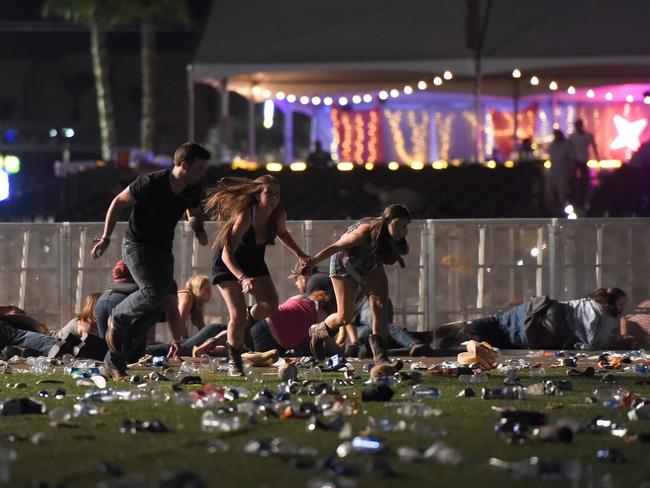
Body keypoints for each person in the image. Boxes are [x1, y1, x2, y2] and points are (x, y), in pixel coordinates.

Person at [90, 142, 211, 380]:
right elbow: (118, 202)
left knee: (154, 310)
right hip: (137, 245)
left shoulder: (193, 189)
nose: (203, 173)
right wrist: (105, 238)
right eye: (200, 168)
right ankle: (118, 316)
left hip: (163, 251)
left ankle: (114, 362)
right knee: (153, 292)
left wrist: (198, 229)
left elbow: (194, 213)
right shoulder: (150, 183)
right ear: (184, 165)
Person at [204, 175, 310, 376]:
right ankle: (235, 360)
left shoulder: (277, 214)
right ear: (257, 195)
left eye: (277, 194)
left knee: (271, 305)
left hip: (253, 262)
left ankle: (247, 323)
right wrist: (243, 278)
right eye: (269, 193)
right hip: (229, 264)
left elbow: (282, 233)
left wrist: (300, 254)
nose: (274, 198)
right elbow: (227, 255)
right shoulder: (246, 215)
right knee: (237, 314)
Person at [302, 204, 411, 373]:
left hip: (369, 265)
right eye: (397, 225)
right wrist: (312, 262)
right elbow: (335, 247)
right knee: (344, 317)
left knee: (379, 305)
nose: (401, 231)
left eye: (405, 227)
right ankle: (318, 330)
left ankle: (381, 358)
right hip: (344, 265)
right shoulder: (363, 233)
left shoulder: (391, 237)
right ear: (386, 221)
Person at [437, 287, 626, 350]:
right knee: (506, 340)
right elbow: (594, 341)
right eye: (621, 304)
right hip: (547, 330)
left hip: (538, 307)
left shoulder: (587, 301)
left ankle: (467, 327)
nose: (622, 308)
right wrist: (616, 340)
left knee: (500, 322)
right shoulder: (605, 315)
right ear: (611, 302)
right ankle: (471, 338)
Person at [345, 292, 435, 358]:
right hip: (363, 318)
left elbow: (346, 319)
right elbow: (348, 321)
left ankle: (413, 343)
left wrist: (354, 342)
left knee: (383, 325)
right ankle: (424, 337)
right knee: (368, 336)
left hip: (369, 301)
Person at [569, 119, 599, 211]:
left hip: (583, 159)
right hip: (575, 160)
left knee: (584, 179)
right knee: (573, 179)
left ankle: (582, 198)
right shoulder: (573, 136)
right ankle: (573, 197)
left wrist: (597, 157)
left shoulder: (587, 136)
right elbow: (569, 147)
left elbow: (594, 146)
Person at [546, 129, 573, 214]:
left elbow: (571, 160)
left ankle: (562, 211)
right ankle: (552, 210)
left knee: (561, 193)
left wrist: (570, 173)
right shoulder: (552, 146)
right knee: (549, 192)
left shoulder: (567, 145)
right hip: (553, 172)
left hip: (562, 173)